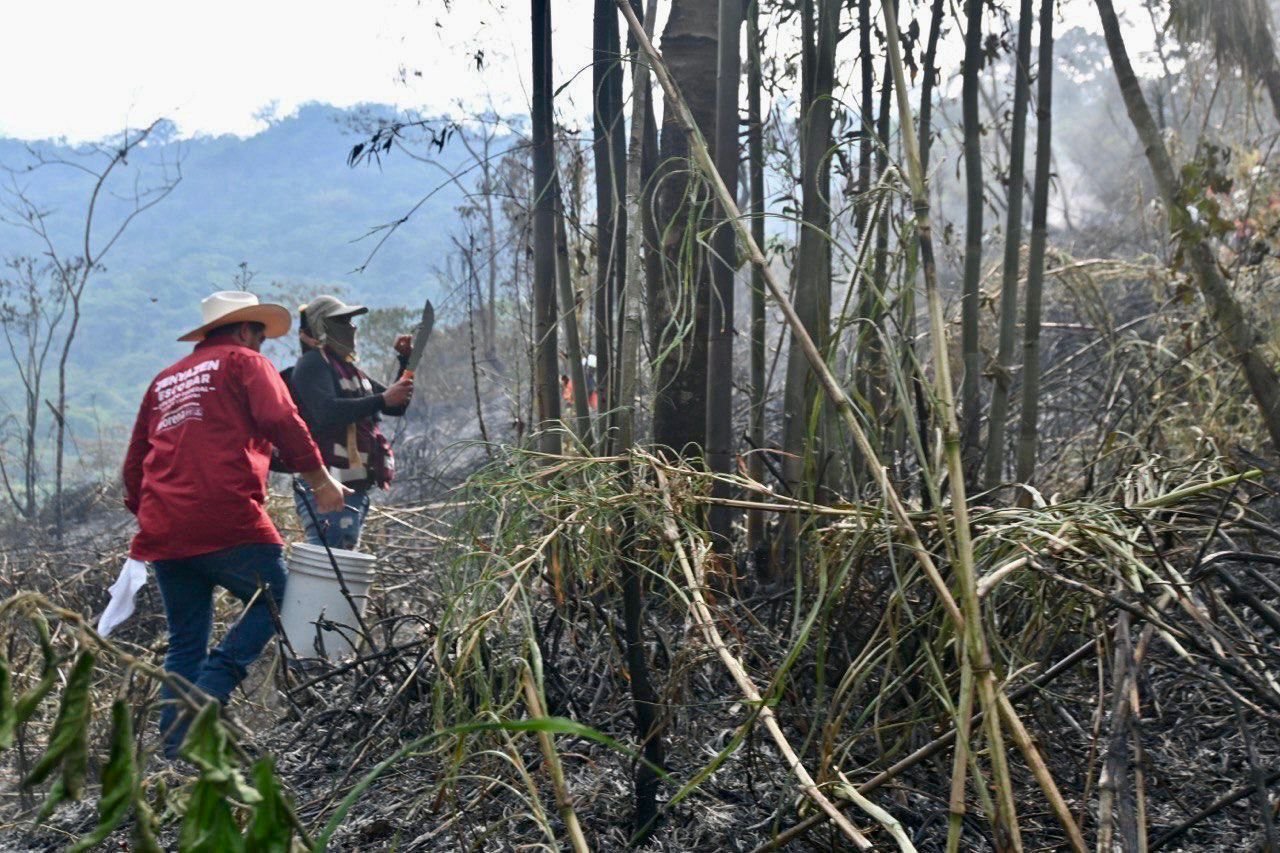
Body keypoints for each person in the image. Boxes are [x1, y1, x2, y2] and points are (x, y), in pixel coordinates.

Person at [123, 290, 350, 758]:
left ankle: (174, 755)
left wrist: (158, 514)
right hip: (228, 516)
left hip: (163, 528)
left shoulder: (164, 380)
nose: (263, 346)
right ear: (246, 330)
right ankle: (211, 690)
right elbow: (281, 418)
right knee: (280, 601)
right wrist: (321, 479)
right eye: (261, 336)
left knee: (185, 642)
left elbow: (134, 466)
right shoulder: (244, 362)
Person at [288, 294, 414, 550]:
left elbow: (395, 405)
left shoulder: (350, 371)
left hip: (353, 487)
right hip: (327, 483)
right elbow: (326, 412)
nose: (352, 328)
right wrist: (383, 398)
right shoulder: (312, 364)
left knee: (340, 558)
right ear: (323, 327)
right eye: (343, 321)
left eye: (351, 322)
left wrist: (406, 363)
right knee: (329, 561)